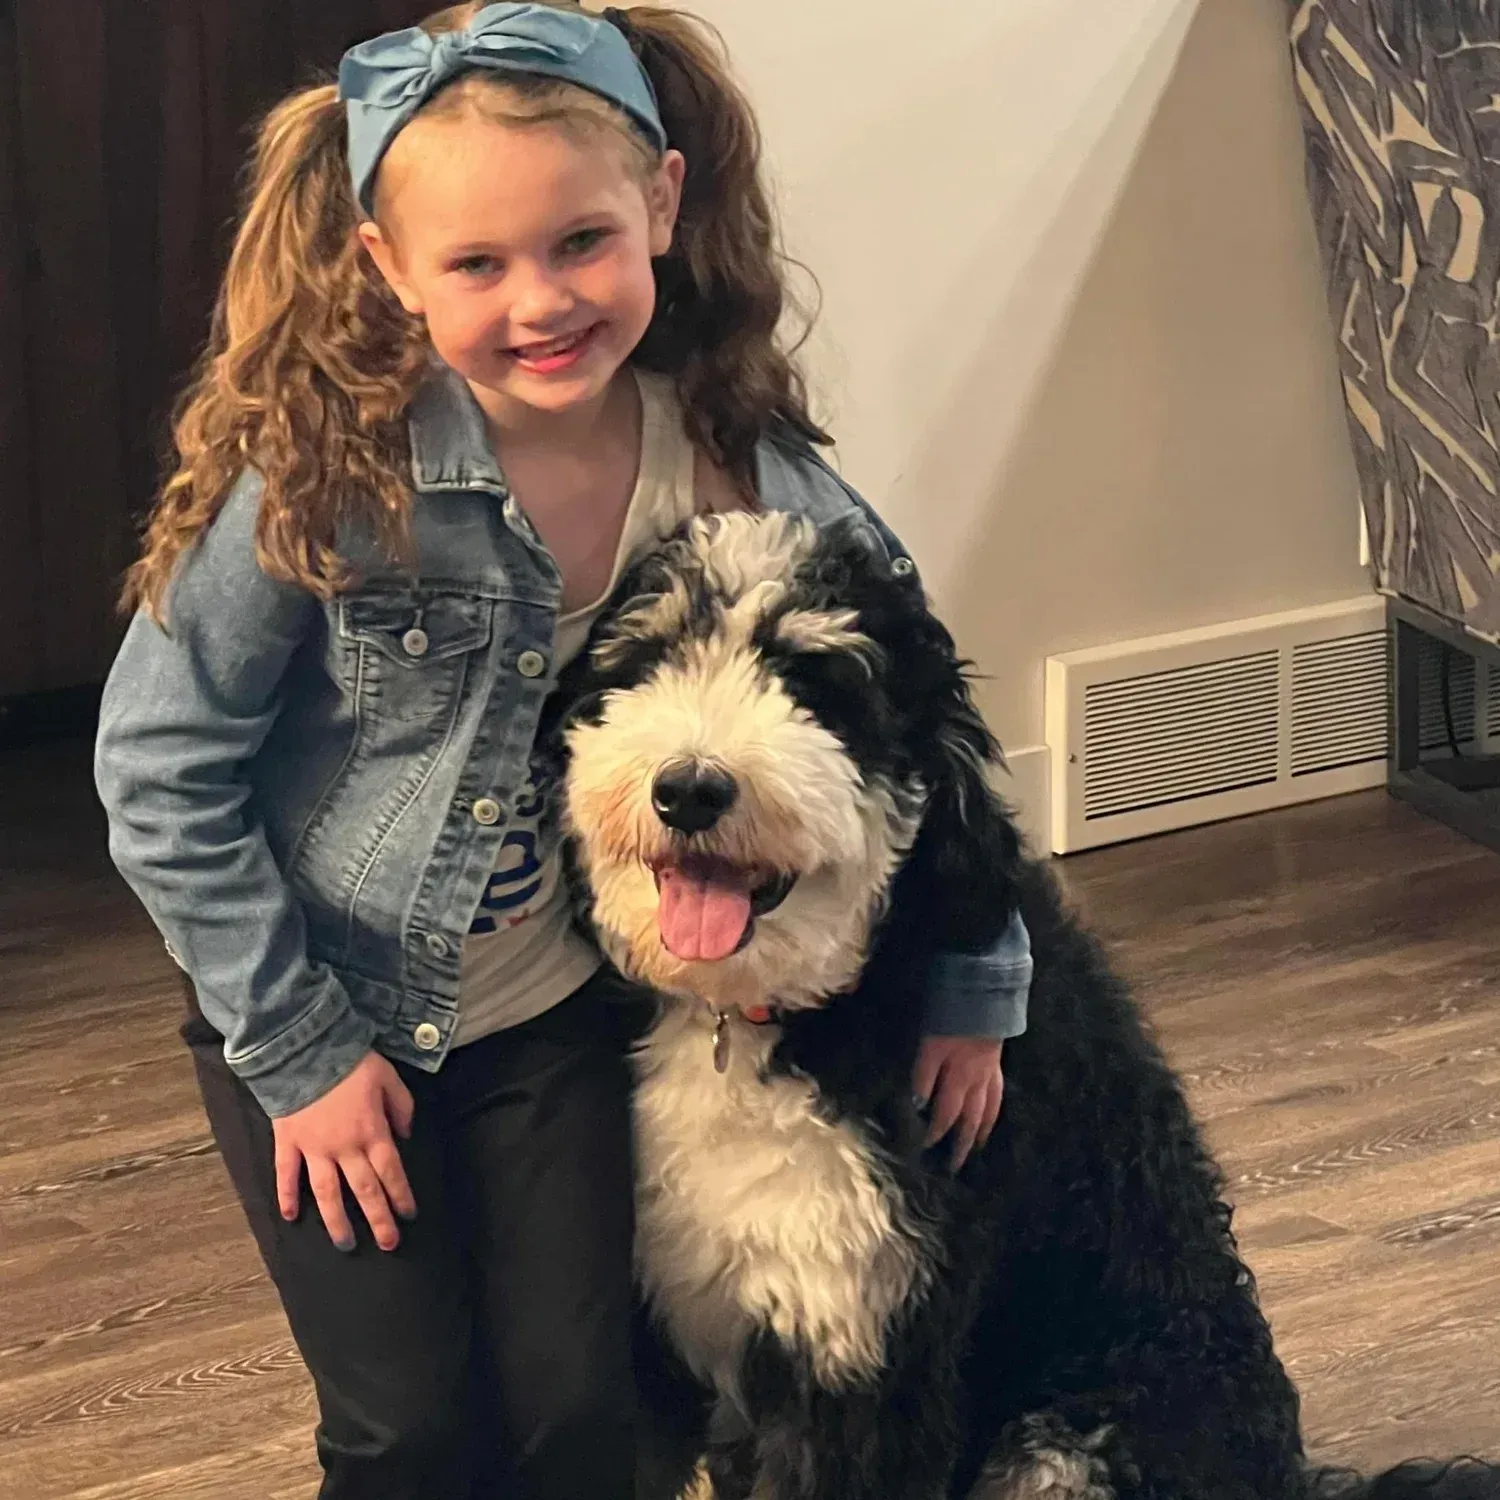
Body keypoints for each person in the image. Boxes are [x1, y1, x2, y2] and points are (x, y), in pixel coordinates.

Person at [93, 4, 1034, 1497]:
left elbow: (921, 697)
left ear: (660, 204)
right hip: (328, 1016)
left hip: (554, 1022)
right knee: (406, 1426)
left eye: (580, 243)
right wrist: (298, 1053)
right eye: (477, 263)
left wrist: (982, 982)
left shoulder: (727, 453)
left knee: (581, 1414)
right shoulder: (330, 476)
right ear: (386, 265)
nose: (540, 302)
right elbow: (155, 766)